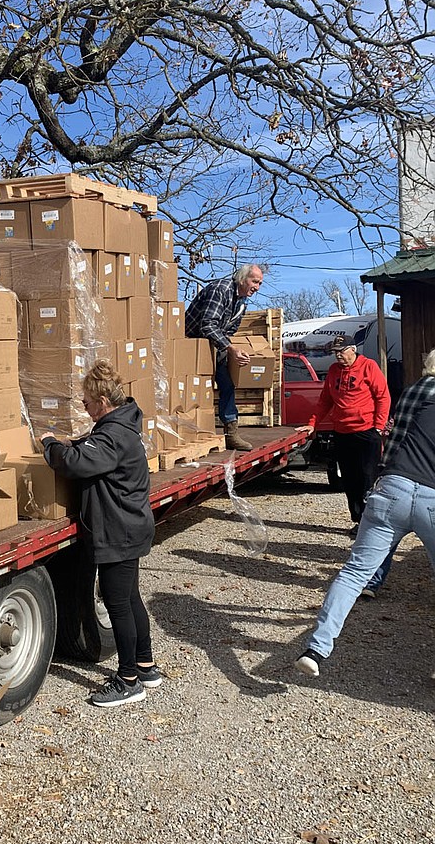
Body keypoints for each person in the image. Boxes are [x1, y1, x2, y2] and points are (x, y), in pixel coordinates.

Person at [295, 348, 435, 678]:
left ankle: (317, 648)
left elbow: (395, 421)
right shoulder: (334, 373)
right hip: (430, 494)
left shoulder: (416, 389)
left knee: (354, 571)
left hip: (392, 486)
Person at [39, 360, 159, 708]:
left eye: (87, 403)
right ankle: (146, 665)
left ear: (103, 401)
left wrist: (50, 446)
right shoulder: (119, 426)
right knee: (130, 598)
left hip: (117, 530)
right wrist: (71, 442)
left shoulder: (113, 435)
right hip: (129, 526)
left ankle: (128, 680)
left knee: (118, 603)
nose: (84, 407)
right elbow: (90, 446)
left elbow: (78, 463)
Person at [297, 334, 390, 533]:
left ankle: (371, 524)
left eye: (341, 351)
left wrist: (378, 427)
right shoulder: (333, 371)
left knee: (368, 478)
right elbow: (325, 401)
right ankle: (358, 521)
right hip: (342, 431)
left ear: (353, 350)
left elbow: (383, 396)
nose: (338, 356)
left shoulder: (369, 366)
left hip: (366, 431)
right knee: (349, 479)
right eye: (335, 352)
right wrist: (313, 423)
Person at [184, 263, 264, 451]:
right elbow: (207, 325)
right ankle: (188, 430)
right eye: (255, 281)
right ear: (242, 279)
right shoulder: (221, 289)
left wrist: (234, 352)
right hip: (192, 343)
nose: (257, 287)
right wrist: (231, 348)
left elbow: (229, 330)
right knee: (193, 388)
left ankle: (231, 433)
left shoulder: (242, 301)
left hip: (212, 345)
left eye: (260, 283)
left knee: (227, 384)